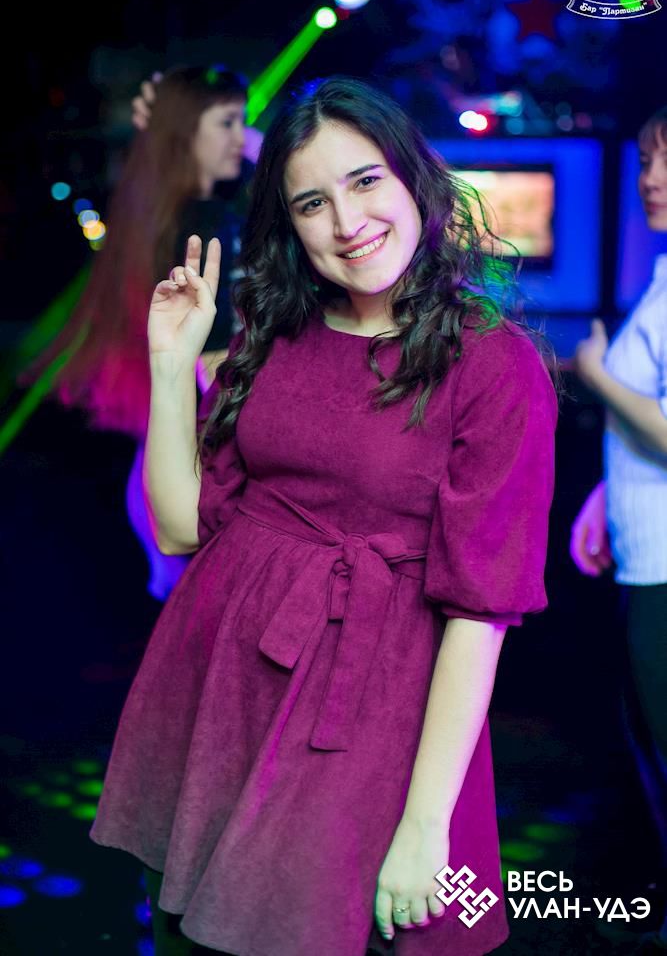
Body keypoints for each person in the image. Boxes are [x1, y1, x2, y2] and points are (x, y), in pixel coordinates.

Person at [90, 76, 557, 956]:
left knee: (306, 928)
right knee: (195, 933)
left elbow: (479, 614)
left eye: (365, 181)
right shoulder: (275, 334)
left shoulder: (492, 364)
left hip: (367, 700)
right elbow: (181, 528)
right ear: (290, 224)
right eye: (312, 202)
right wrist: (171, 365)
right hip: (221, 678)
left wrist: (426, 823)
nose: (346, 222)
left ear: (413, 178)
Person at [30, 65, 257, 600]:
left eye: (243, 123)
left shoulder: (161, 209)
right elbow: (210, 354)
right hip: (203, 433)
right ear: (185, 132)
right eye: (227, 123)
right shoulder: (201, 219)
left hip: (175, 442)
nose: (241, 139)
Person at [571, 105, 667, 953]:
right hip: (647, 559)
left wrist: (595, 375)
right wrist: (606, 496)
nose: (650, 178)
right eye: (644, 161)